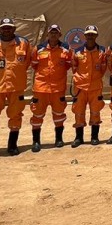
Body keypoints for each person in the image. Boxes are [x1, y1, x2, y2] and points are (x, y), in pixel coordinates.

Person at [0, 17, 35, 159]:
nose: (7, 30)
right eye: (4, 28)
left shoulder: (24, 44)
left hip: (16, 86)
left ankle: (12, 145)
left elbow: (27, 62)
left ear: (14, 29)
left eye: (9, 27)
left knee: (16, 116)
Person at [29, 23, 72, 151]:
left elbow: (68, 65)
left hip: (57, 88)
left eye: (56, 32)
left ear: (60, 35)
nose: (53, 35)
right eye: (51, 32)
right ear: (48, 34)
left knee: (59, 114)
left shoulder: (66, 49)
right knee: (37, 115)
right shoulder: (39, 49)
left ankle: (59, 139)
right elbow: (34, 65)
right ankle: (36, 142)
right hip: (40, 88)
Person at [70, 24, 107, 147]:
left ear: (96, 35)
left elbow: (103, 68)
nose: (90, 36)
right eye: (88, 34)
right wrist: (80, 79)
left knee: (95, 112)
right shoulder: (77, 51)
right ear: (85, 36)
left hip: (95, 87)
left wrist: (94, 79)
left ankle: (94, 137)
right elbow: (74, 67)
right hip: (80, 88)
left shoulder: (102, 51)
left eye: (93, 34)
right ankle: (78, 138)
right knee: (79, 112)